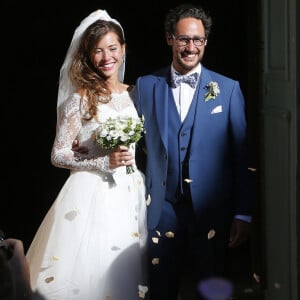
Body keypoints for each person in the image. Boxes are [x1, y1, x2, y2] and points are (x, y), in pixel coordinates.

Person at [134, 3, 257, 300]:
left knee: (213, 289)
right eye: (184, 39)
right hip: (161, 210)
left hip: (212, 210)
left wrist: (243, 213)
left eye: (197, 40)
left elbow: (243, 158)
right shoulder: (145, 86)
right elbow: (131, 145)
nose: (191, 47)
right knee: (160, 289)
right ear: (169, 39)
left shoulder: (227, 89)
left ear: (205, 41)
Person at [26, 9, 148, 300]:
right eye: (98, 51)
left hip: (131, 191)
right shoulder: (79, 99)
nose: (106, 57)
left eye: (112, 48)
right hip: (91, 194)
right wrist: (102, 161)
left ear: (123, 49)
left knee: (127, 272)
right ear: (89, 56)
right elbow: (58, 155)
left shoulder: (137, 93)